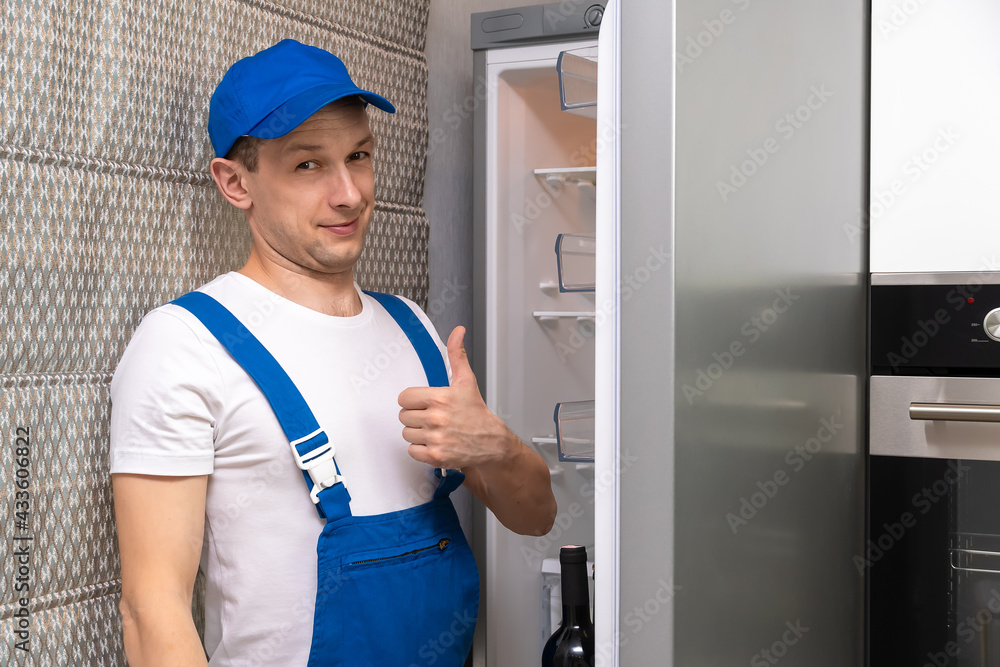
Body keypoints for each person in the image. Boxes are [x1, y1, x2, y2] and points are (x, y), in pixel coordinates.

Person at [110, 39, 556, 667]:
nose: (349, 194)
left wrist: (498, 447)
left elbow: (536, 517)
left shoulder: (413, 329)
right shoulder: (185, 344)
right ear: (235, 182)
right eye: (308, 166)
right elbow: (150, 612)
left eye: (359, 156)